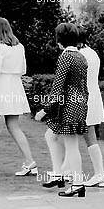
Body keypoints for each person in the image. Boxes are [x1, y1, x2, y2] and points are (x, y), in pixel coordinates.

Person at [35, 23, 89, 197]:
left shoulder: (65, 57)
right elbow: (84, 87)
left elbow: (58, 87)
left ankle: (78, 184)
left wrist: (45, 109)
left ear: (59, 40)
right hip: (79, 103)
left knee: (71, 146)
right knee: (51, 135)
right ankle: (59, 176)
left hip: (68, 106)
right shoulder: (81, 56)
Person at [0, 18, 36, 177]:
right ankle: (30, 161)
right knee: (14, 126)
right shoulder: (20, 47)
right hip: (15, 88)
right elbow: (23, 70)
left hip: (0, 88)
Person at [75, 27, 104, 188]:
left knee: (64, 136)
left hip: (83, 98)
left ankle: (97, 174)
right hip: (92, 97)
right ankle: (98, 174)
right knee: (89, 136)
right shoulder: (92, 52)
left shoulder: (79, 55)